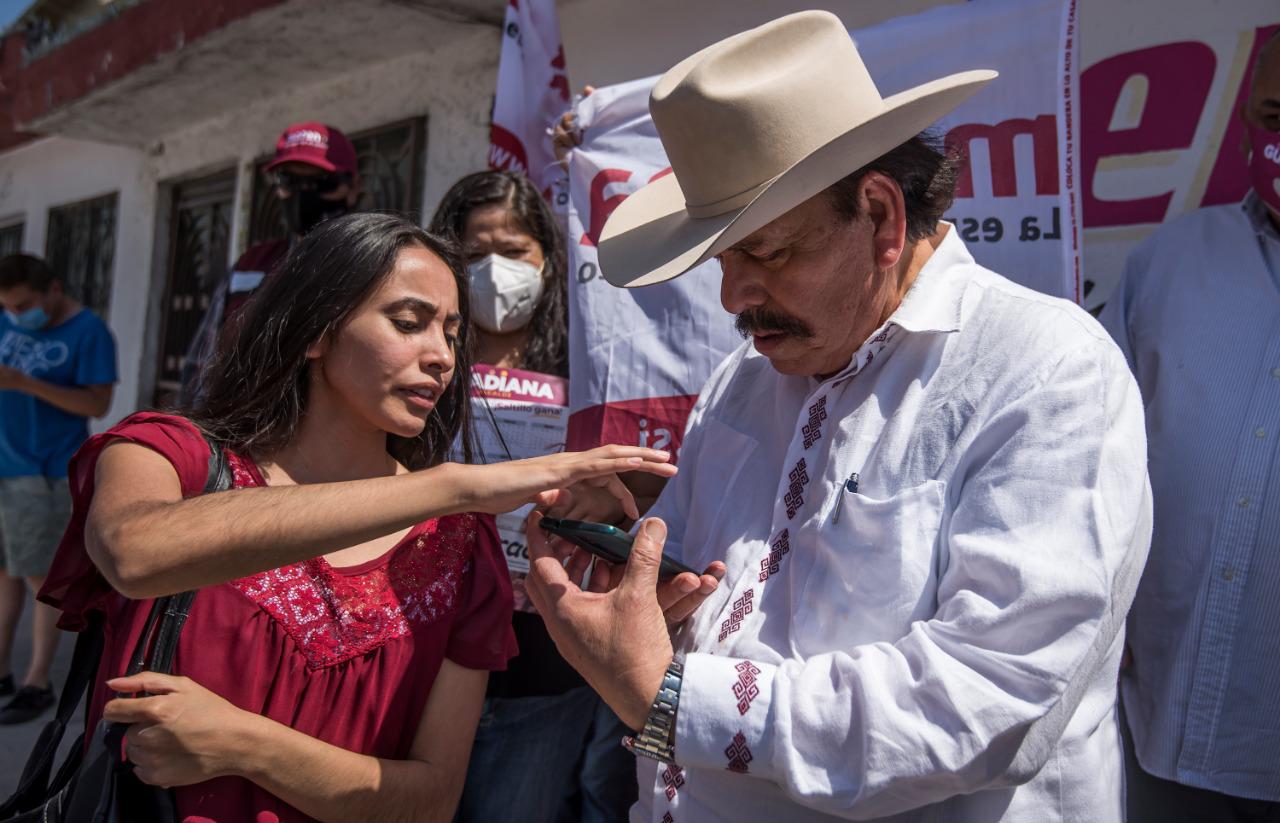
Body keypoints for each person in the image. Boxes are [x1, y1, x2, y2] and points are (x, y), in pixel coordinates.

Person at [523, 11, 1152, 822]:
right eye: (723, 260)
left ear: (883, 217)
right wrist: (634, 583)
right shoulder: (741, 384)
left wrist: (675, 695)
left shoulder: (1045, 368)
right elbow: (709, 601)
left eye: (768, 252)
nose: (734, 297)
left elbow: (993, 700)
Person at [36, 213, 677, 822]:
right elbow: (133, 553)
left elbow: (429, 803)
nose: (443, 357)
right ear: (316, 330)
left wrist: (242, 744)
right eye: (408, 322)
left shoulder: (456, 544)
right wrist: (455, 484)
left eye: (452, 333)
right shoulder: (170, 453)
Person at [1099, 30, 1280, 823]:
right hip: (1160, 721)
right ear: (1245, 124)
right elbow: (1091, 456)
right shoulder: (1166, 264)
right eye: (1276, 112)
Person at [429, 169, 640, 822]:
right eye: (473, 253)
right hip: (426, 652)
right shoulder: (419, 364)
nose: (494, 269)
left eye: (513, 251)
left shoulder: (593, 368)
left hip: (542, 671)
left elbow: (644, 484)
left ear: (549, 259)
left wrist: (608, 500)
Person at [0, 252, 117, 724]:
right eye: (7, 307)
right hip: (5, 464)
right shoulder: (8, 320)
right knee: (5, 574)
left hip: (44, 471)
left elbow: (98, 401)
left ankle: (37, 682)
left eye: (23, 304)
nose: (15, 314)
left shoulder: (88, 332)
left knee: (39, 580)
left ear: (53, 289)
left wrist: (25, 384)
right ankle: (4, 672)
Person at [179, 121, 361, 403]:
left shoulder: (376, 269)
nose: (303, 194)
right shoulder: (248, 267)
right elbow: (202, 367)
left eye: (321, 183)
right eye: (289, 181)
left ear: (353, 188)